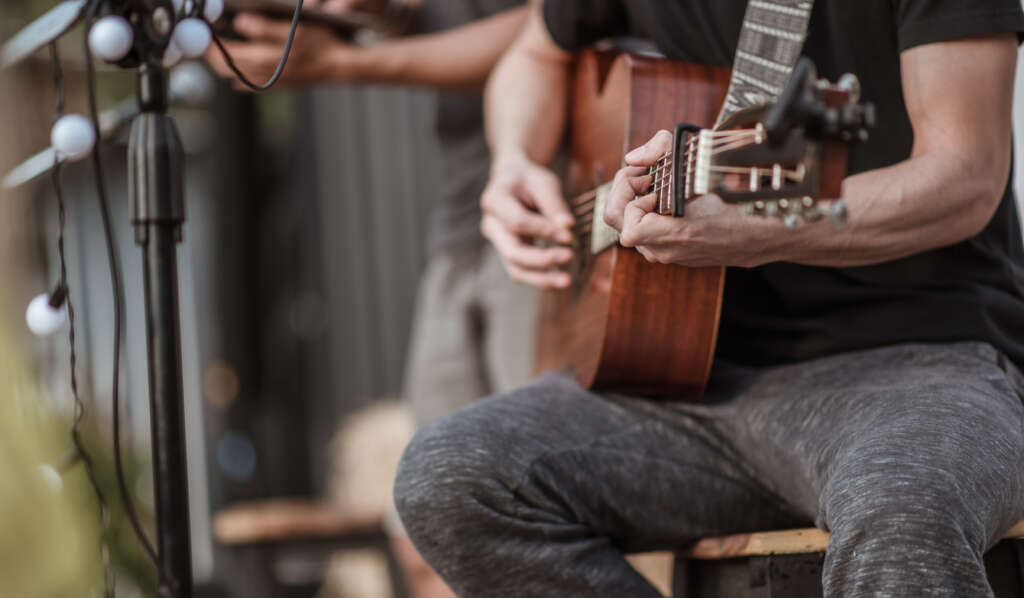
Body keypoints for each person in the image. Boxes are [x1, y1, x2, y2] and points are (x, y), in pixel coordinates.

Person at [393, 1, 1024, 596]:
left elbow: (966, 176)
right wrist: (514, 163)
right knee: (453, 477)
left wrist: (764, 231)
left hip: (919, 363)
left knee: (906, 501)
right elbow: (533, 53)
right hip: (686, 380)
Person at [206, 1, 531, 596]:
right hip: (461, 221)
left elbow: (553, 26)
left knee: (538, 511)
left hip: (551, 203)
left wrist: (346, 63)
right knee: (425, 539)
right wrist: (379, 14)